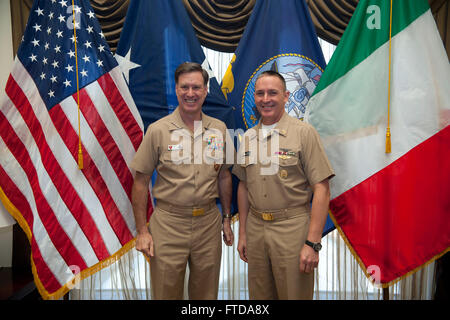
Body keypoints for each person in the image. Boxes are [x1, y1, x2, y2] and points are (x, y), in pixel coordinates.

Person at [130, 62, 234, 300]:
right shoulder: (158, 131)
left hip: (208, 224)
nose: (190, 93)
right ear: (176, 90)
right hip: (168, 224)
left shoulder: (218, 130)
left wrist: (227, 218)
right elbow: (140, 181)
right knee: (166, 293)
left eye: (196, 87)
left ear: (206, 91)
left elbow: (224, 175)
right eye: (184, 87)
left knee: (206, 296)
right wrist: (142, 231)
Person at [232, 70, 334, 300]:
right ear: (254, 98)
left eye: (272, 93)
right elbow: (244, 186)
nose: (265, 99)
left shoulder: (304, 134)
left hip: (292, 230)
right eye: (260, 93)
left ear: (286, 96)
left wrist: (312, 243)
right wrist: (243, 234)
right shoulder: (248, 137)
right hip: (256, 229)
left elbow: (322, 188)